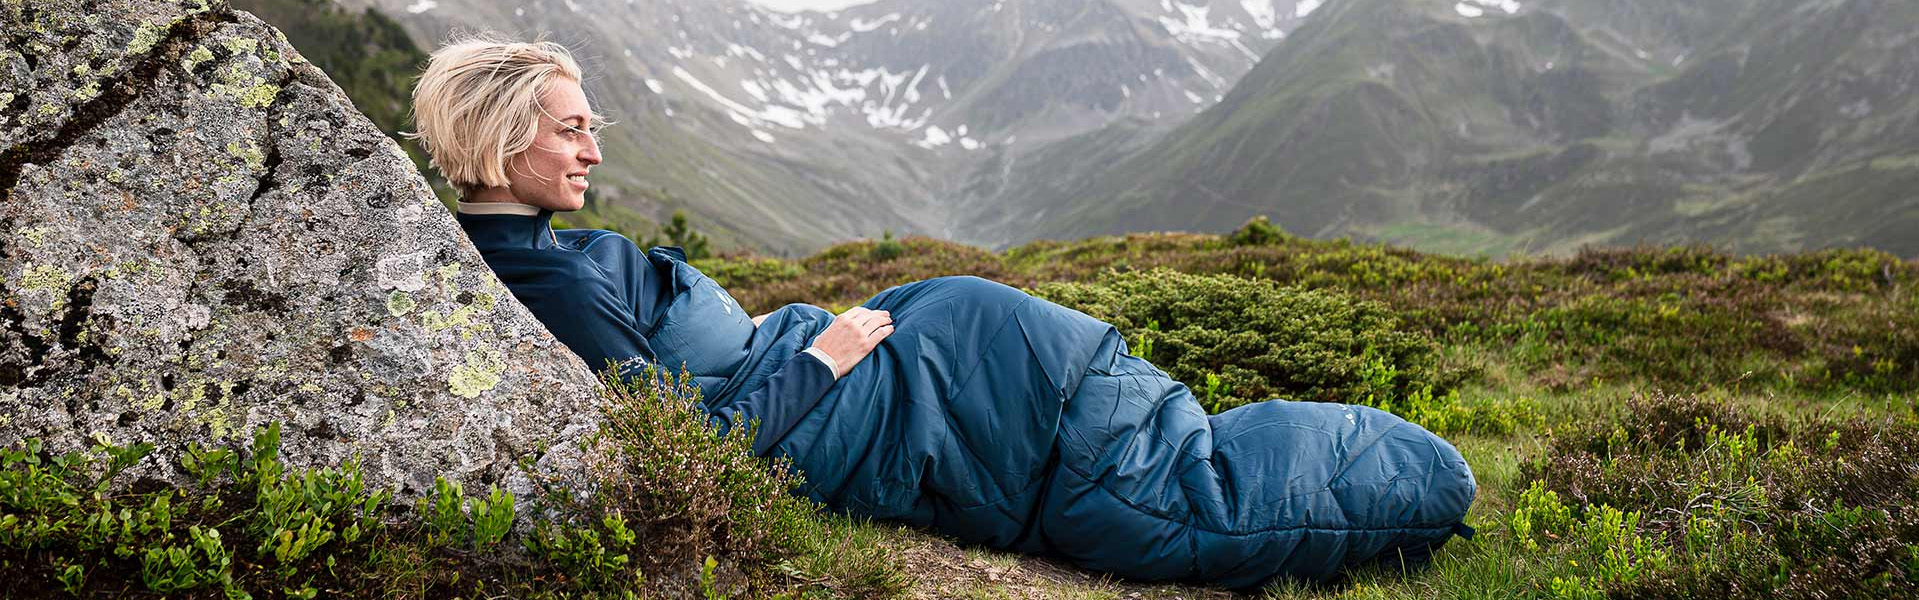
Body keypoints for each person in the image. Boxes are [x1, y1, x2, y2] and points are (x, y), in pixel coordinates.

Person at [409, 34, 1477, 591]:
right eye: (571, 131)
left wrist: (828, 349)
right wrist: (821, 360)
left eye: (591, 127)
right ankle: (1417, 485)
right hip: (926, 391)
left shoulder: (535, 254)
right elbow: (680, 446)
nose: (593, 151)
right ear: (503, 141)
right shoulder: (541, 276)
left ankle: (1399, 482)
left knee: (1164, 480)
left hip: (948, 378)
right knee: (1164, 498)